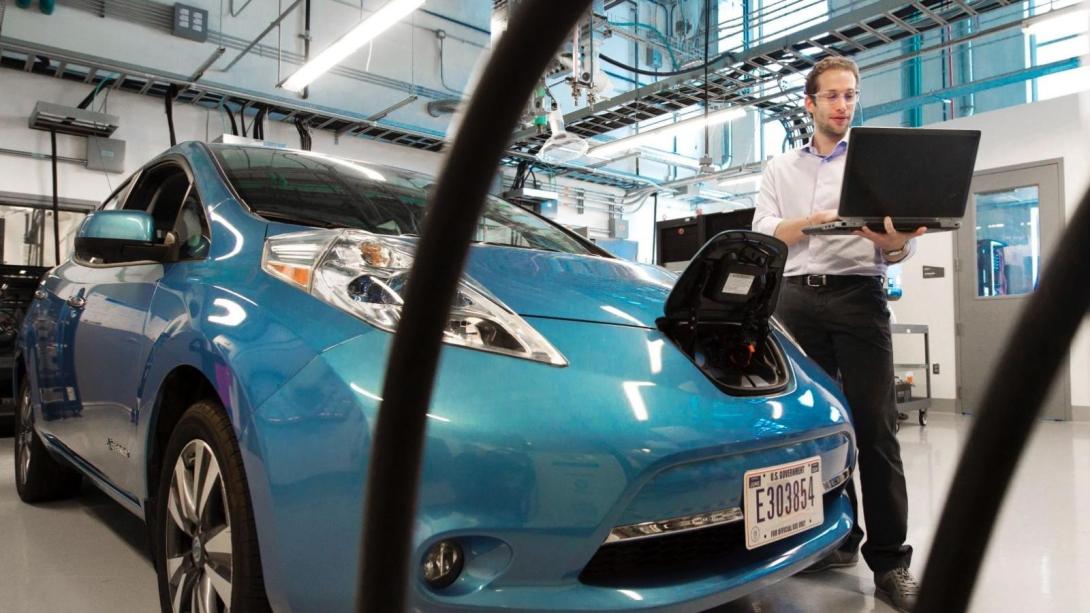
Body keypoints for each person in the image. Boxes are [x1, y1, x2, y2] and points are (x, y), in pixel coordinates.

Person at [752, 56, 924, 613]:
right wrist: (823, 219)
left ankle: (892, 562)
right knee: (819, 428)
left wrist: (893, 239)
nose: (843, 105)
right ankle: (840, 538)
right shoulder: (781, 168)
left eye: (850, 95)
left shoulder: (874, 167)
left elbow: (897, 249)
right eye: (832, 96)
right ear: (810, 103)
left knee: (875, 427)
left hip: (858, 294)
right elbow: (766, 233)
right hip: (795, 299)